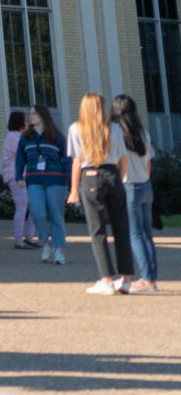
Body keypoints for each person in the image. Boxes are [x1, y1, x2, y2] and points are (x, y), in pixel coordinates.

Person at [67, 91, 133, 295]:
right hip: (113, 172)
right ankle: (126, 279)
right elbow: (124, 159)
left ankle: (106, 279)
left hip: (91, 174)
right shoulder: (114, 128)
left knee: (98, 230)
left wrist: (73, 190)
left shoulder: (77, 128)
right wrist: (120, 179)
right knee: (121, 227)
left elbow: (77, 161)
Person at [111, 95, 158, 293]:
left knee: (135, 235)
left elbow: (118, 162)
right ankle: (151, 278)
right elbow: (148, 164)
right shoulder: (143, 134)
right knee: (147, 235)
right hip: (145, 186)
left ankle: (146, 279)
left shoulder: (118, 135)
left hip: (129, 186)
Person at [15, 104, 68, 265]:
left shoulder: (57, 136)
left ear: (43, 116)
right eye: (30, 113)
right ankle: (45, 242)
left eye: (34, 114)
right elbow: (20, 157)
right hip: (34, 180)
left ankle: (58, 250)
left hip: (56, 180)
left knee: (55, 214)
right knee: (37, 212)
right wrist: (18, 176)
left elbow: (67, 158)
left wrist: (70, 179)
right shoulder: (26, 137)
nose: (31, 117)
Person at [2, 110, 35, 250]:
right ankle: (19, 239)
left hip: (22, 175)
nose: (27, 123)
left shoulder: (18, 137)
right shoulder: (15, 137)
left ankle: (28, 236)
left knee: (32, 205)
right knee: (22, 206)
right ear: (20, 122)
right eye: (25, 120)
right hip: (16, 176)